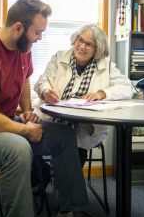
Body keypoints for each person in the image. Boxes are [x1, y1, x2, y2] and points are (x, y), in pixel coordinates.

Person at [0, 0, 90, 217]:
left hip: (0, 122)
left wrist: (27, 111)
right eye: (37, 33)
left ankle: (70, 213)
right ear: (18, 28)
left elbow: (24, 78)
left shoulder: (24, 48)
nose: (40, 38)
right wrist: (25, 130)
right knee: (18, 148)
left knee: (63, 135)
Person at [34, 24, 134, 165]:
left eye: (88, 44)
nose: (81, 46)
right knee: (32, 146)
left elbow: (127, 87)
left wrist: (103, 93)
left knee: (75, 148)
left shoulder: (107, 67)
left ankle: (65, 184)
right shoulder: (59, 58)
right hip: (51, 120)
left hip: (84, 127)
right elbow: (43, 80)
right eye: (80, 40)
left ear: (97, 49)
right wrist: (45, 91)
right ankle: (43, 179)